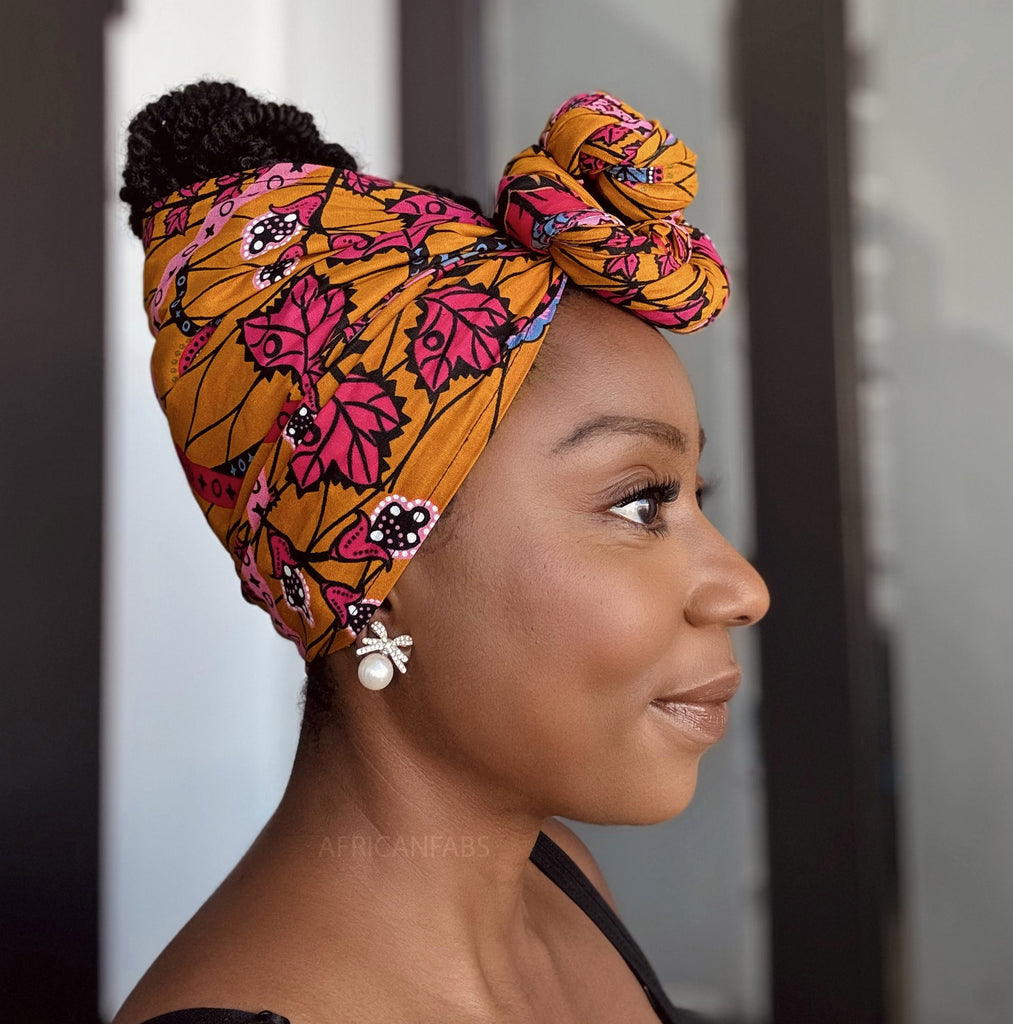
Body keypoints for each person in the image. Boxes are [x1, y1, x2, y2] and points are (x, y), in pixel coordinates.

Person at [113, 81, 769, 1024]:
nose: (743, 589)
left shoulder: (562, 884)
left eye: (697, 497)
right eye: (639, 504)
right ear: (377, 571)